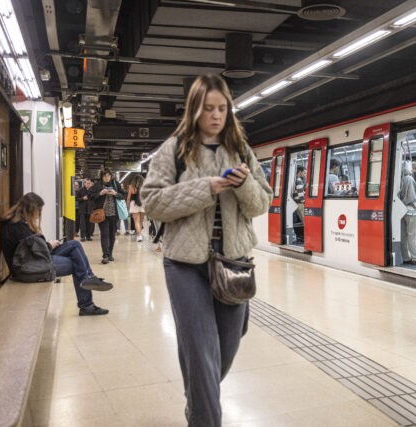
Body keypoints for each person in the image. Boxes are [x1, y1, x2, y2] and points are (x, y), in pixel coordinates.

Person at [141, 74, 273, 427]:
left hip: (233, 263)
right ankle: (204, 418)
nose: (216, 115)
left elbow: (261, 203)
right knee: (200, 351)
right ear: (194, 110)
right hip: (185, 265)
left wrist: (243, 185)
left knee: (225, 347)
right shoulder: (174, 150)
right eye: (208, 108)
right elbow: (152, 202)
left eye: (222, 108)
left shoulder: (241, 150)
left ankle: (197, 403)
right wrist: (207, 188)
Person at [0, 193, 113, 316]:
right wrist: (49, 245)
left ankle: (89, 280)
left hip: (32, 261)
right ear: (31, 209)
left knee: (75, 245)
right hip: (29, 267)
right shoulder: (19, 226)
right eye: (38, 211)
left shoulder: (15, 222)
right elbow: (33, 251)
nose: (38, 215)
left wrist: (47, 244)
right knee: (77, 264)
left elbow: (29, 249)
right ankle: (87, 302)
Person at [90, 168, 125, 264]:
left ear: (111, 176)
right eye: (105, 176)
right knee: (104, 234)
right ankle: (105, 255)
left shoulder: (115, 184)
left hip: (114, 214)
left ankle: (110, 254)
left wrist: (115, 193)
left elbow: (123, 196)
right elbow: (90, 196)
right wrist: (100, 193)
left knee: (112, 234)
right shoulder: (97, 185)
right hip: (102, 214)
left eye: (108, 176)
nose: (107, 177)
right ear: (102, 176)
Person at [398, 161, 416, 265]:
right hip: (411, 211)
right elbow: (412, 197)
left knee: (403, 236)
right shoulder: (409, 178)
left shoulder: (399, 179)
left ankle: (406, 258)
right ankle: (415, 258)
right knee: (412, 236)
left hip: (401, 210)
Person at [127, 175, 146, 242]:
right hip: (142, 203)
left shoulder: (131, 187)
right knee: (141, 221)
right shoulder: (144, 186)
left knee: (136, 221)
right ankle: (139, 235)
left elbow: (128, 198)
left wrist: (127, 206)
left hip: (134, 204)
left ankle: (139, 236)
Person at [292, 166, 306, 244]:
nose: (305, 175)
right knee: (306, 221)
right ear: (300, 172)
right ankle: (307, 238)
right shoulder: (299, 180)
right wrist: (304, 202)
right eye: (304, 173)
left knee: (303, 221)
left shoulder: (294, 180)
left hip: (296, 204)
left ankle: (302, 237)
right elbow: (301, 194)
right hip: (301, 204)